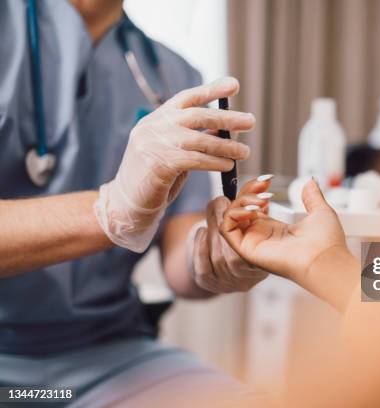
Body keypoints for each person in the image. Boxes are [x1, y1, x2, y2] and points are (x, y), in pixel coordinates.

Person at [0, 0, 271, 406]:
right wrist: (110, 210)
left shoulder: (172, 75)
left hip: (112, 355)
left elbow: (179, 256)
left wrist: (212, 258)